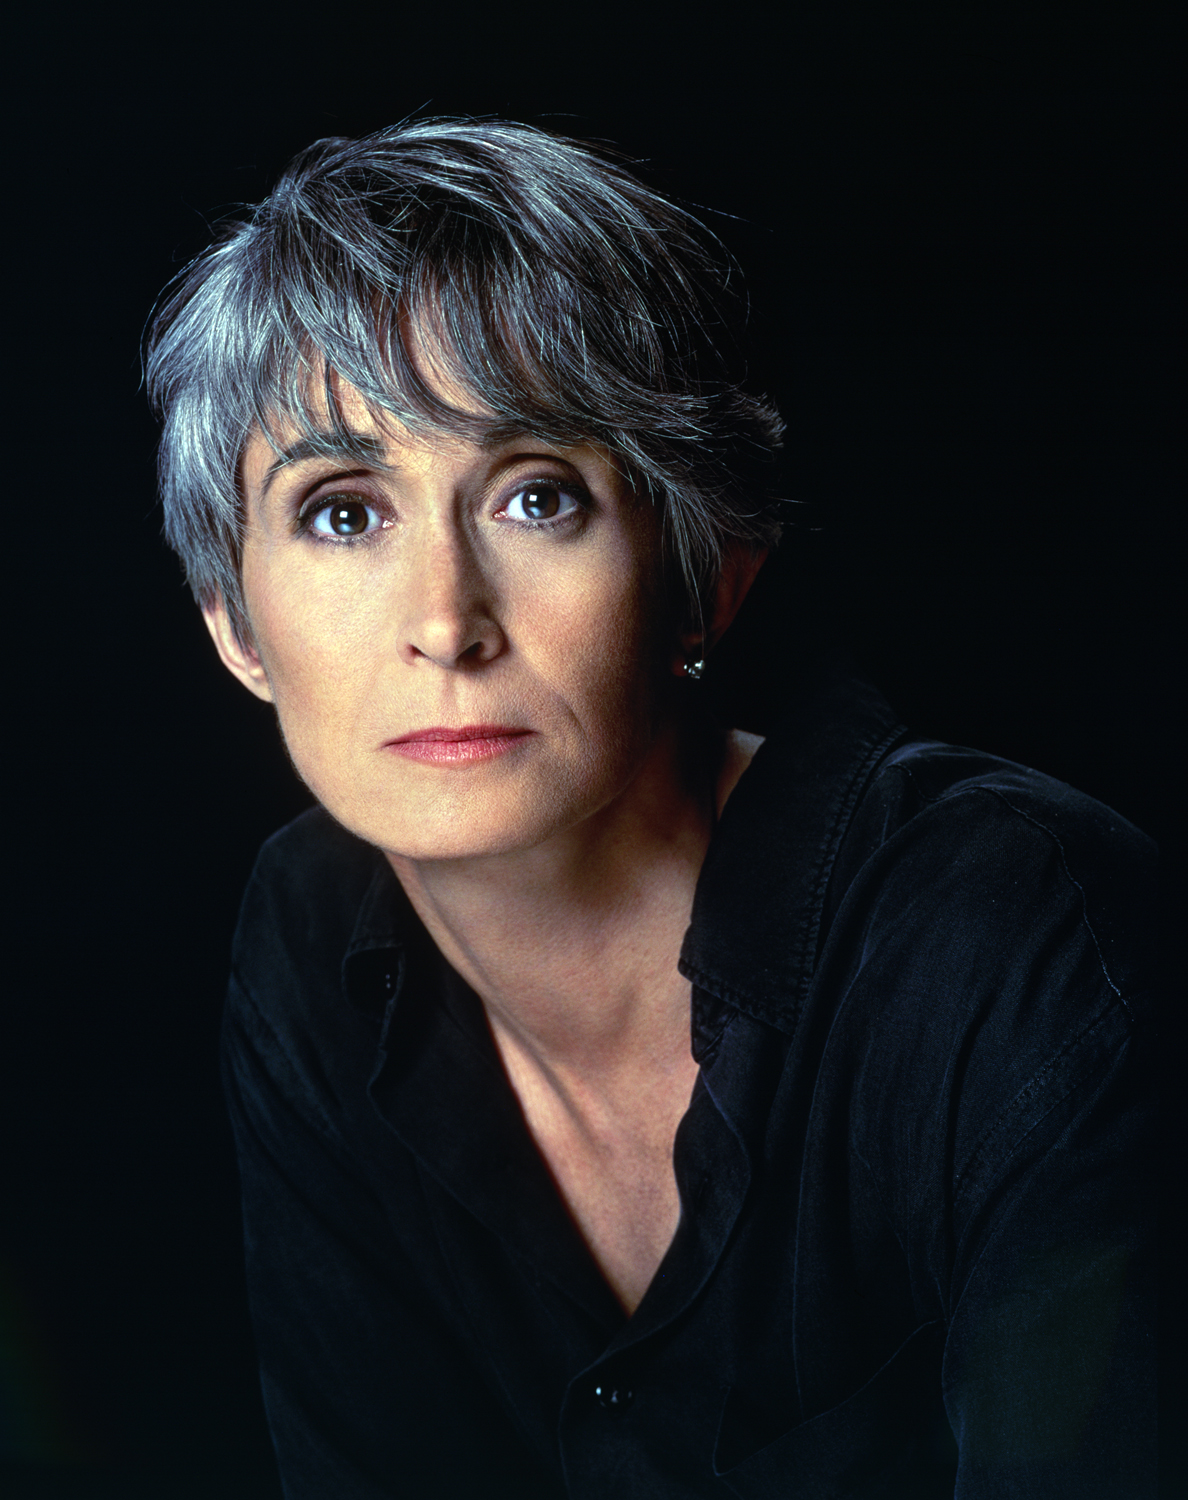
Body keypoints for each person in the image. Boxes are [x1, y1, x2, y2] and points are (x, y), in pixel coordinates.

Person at [144, 118, 1156, 1499]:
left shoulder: (1018, 936)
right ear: (234, 624)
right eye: (342, 512)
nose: (445, 620)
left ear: (704, 579)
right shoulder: (311, 931)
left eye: (536, 496)